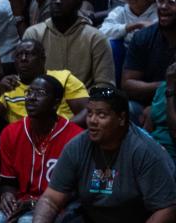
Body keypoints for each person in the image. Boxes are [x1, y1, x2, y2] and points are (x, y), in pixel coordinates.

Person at [32, 85, 176, 223]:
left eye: (101, 115)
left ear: (121, 118)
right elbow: (51, 199)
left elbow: (167, 209)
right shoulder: (77, 146)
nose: (92, 121)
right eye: (89, 113)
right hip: (92, 217)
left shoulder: (144, 151)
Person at [0, 75, 84, 223]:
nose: (31, 97)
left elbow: (75, 191)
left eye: (40, 94)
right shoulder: (11, 132)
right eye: (29, 92)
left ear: (55, 103)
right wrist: (7, 196)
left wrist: (35, 203)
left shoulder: (75, 137)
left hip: (57, 205)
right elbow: (8, 182)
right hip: (20, 202)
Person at [23, 0, 115, 88]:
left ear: (79, 3)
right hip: (43, 100)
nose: (57, 2)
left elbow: (105, 84)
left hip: (85, 102)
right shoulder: (34, 34)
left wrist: (83, 100)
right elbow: (25, 78)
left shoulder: (96, 38)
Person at [0, 39, 90, 126]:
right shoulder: (9, 86)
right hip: (25, 139)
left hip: (61, 137)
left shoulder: (64, 78)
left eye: (29, 54)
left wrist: (60, 131)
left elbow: (88, 111)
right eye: (18, 55)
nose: (23, 58)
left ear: (42, 59)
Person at [121, 0, 176, 111]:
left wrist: (158, 108)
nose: (163, 7)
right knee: (128, 109)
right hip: (145, 103)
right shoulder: (143, 37)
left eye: (171, 3)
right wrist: (165, 86)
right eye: (161, 1)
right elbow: (127, 84)